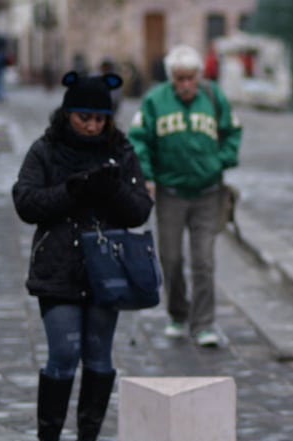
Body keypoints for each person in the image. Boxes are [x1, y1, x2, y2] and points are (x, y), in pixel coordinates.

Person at [11, 71, 154, 441]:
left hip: (107, 269)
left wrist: (111, 190)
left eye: (99, 119)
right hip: (58, 266)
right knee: (63, 353)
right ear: (68, 114)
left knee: (98, 356)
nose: (92, 126)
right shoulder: (46, 150)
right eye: (83, 118)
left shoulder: (121, 150)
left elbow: (141, 209)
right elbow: (25, 201)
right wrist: (71, 190)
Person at [128, 44, 243, 347]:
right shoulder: (155, 101)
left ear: (198, 76)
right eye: (179, 79)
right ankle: (178, 313)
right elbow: (139, 140)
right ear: (171, 78)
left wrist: (221, 161)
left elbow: (232, 131)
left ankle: (203, 323)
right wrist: (147, 176)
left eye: (190, 78)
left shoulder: (214, 97)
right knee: (172, 258)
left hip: (208, 193)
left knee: (203, 260)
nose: (186, 85)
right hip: (170, 193)